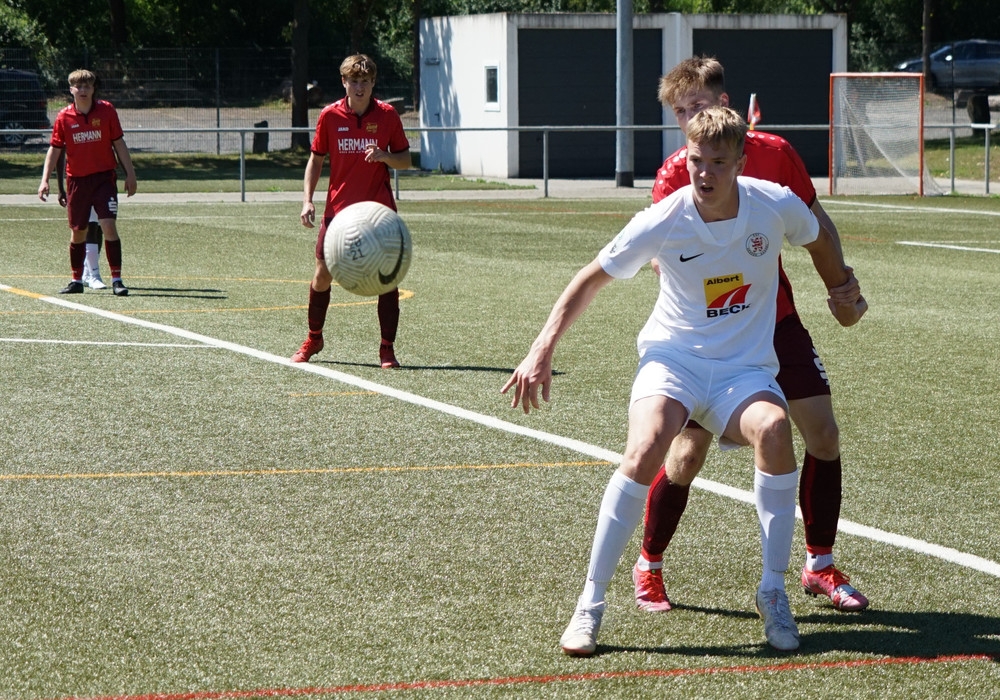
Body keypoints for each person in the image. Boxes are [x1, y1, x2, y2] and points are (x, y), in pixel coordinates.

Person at [502, 107, 865, 655]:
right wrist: (541, 349)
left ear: (740, 163)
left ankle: (773, 592)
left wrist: (841, 289)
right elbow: (590, 278)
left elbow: (819, 238)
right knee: (648, 446)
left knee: (774, 429)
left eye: (718, 162)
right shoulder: (665, 218)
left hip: (744, 370)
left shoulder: (774, 204)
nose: (705, 172)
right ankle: (590, 603)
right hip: (674, 361)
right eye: (697, 160)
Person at [632, 56, 870, 616]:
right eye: (679, 113)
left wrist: (841, 288)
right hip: (709, 339)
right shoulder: (675, 175)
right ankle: (649, 564)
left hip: (775, 321)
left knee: (824, 433)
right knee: (685, 454)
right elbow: (664, 260)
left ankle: (819, 565)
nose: (689, 120)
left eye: (697, 106)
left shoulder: (776, 153)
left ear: (724, 104)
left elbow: (816, 223)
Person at [293, 53, 412, 368]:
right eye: (354, 81)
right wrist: (307, 200)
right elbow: (316, 159)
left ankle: (387, 349)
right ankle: (314, 338)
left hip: (379, 213)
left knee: (388, 277)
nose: (360, 87)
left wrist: (385, 155)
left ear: (373, 83)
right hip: (339, 211)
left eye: (366, 81)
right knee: (322, 274)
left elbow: (405, 160)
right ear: (344, 82)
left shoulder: (387, 116)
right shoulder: (330, 115)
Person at [38, 68, 136, 296]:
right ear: (71, 89)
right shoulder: (64, 117)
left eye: (87, 86)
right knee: (78, 232)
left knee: (108, 225)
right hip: (77, 181)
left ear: (93, 89)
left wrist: (130, 174)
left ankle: (117, 280)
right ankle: (76, 280)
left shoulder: (107, 110)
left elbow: (119, 143)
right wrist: (45, 180)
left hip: (104, 178)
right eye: (78, 86)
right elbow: (55, 150)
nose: (83, 90)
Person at [57, 150, 106, 289]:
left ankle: (88, 271)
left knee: (99, 226)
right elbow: (58, 153)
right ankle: (93, 275)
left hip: (102, 179)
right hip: (81, 181)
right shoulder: (69, 134)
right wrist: (60, 187)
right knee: (89, 226)